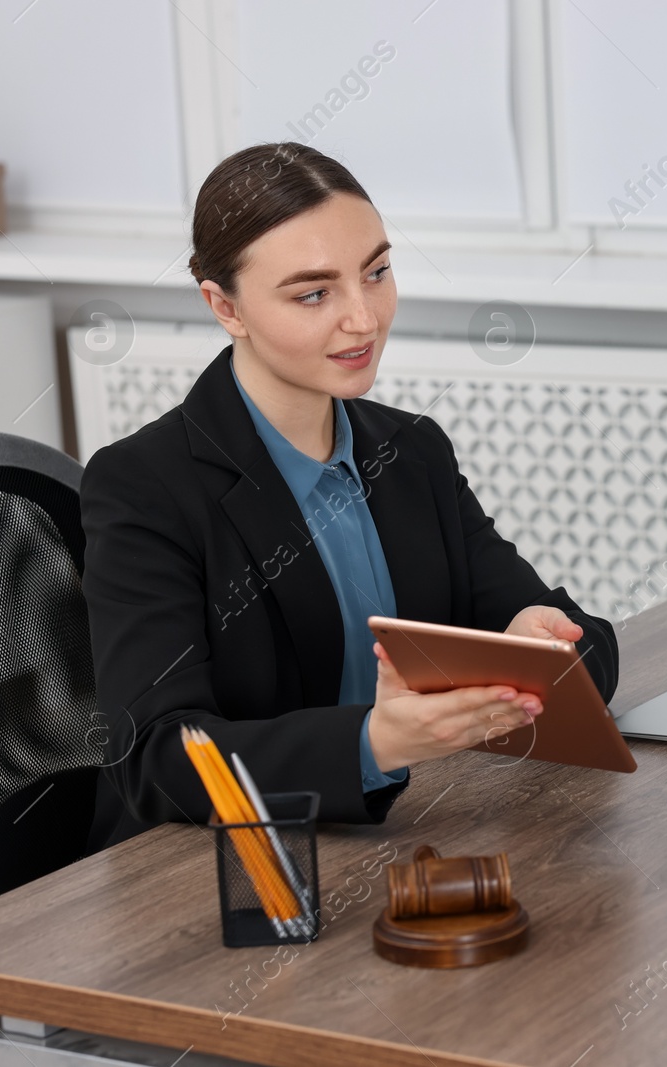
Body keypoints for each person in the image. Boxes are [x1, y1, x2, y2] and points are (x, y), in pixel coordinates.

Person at [80, 142, 618, 848]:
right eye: (313, 293)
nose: (364, 318)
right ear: (225, 306)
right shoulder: (145, 486)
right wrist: (371, 742)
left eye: (377, 273)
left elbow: (584, 644)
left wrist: (538, 641)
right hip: (224, 868)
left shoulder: (412, 452)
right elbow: (158, 758)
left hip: (402, 834)